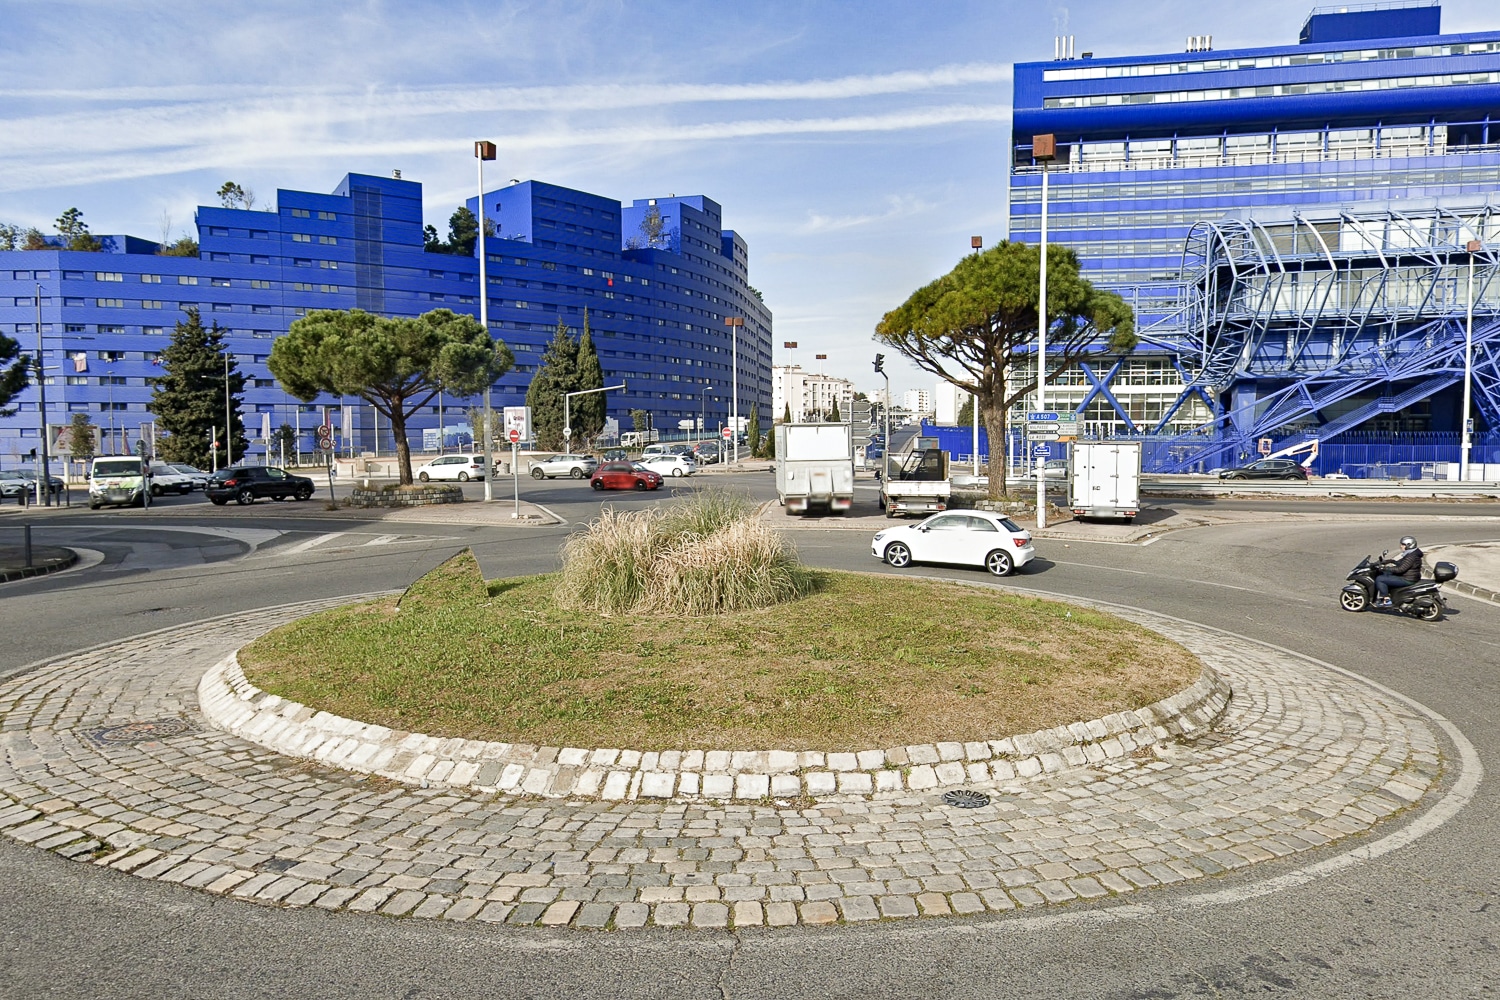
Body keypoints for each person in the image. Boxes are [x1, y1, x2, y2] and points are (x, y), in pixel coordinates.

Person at [1374, 535, 1422, 607]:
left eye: (1403, 545)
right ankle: (1389, 594)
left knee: (1380, 579)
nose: (1401, 546)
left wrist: (1385, 568)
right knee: (1385, 574)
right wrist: (1391, 561)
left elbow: (1400, 569)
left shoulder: (1411, 556)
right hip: (1409, 576)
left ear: (1409, 545)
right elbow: (1401, 563)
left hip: (1407, 579)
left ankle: (1386, 600)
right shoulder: (1412, 553)